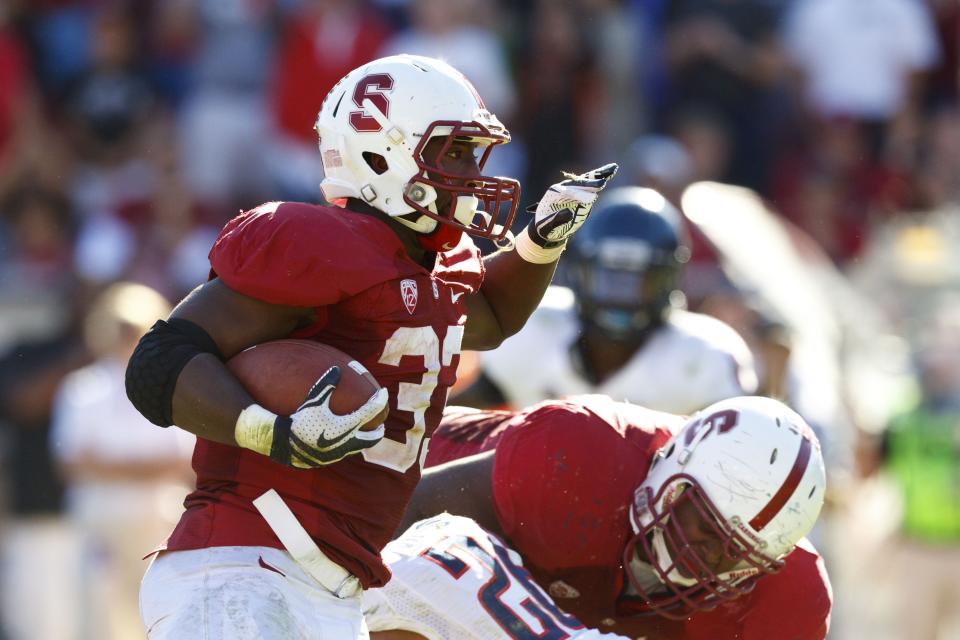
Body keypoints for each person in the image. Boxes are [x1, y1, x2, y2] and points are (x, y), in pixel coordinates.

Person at [127, 54, 618, 639]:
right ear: (383, 154)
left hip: (331, 587)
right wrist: (268, 429)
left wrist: (540, 244)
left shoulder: (439, 264)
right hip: (244, 562)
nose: (471, 171)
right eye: (454, 153)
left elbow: (487, 317)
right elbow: (160, 360)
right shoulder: (316, 241)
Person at [369, 394, 831, 640]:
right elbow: (412, 519)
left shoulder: (789, 597)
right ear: (672, 474)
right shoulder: (584, 455)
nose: (707, 559)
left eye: (736, 554)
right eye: (705, 527)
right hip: (395, 488)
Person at [454, 186, 757, 414]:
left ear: (668, 279)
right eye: (610, 279)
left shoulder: (702, 357)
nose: (621, 299)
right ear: (581, 272)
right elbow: (453, 422)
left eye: (637, 282)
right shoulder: (535, 325)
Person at [50, 282, 194, 640]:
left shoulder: (169, 387)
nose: (126, 336)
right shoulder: (83, 387)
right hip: (102, 522)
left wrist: (113, 467)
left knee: (163, 614)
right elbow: (72, 462)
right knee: (102, 618)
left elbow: (183, 460)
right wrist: (145, 468)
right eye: (120, 327)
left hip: (158, 522)